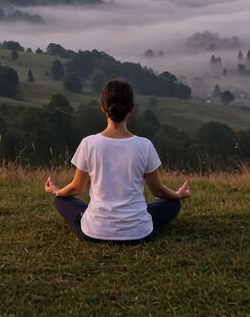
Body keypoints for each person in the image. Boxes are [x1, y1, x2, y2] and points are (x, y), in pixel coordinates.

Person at [44, 80, 191, 243]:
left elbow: (75, 189)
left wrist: (56, 191)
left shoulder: (89, 143)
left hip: (94, 232)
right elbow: (158, 191)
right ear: (131, 108)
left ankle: (99, 219)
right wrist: (177, 195)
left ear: (102, 107)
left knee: (61, 200)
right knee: (173, 204)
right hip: (138, 233)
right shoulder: (144, 145)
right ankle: (134, 221)